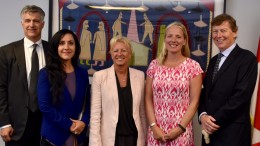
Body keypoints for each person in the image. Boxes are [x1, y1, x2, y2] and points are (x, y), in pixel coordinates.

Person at [198, 14, 258, 146]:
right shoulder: (213, 61)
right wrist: (202, 115)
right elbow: (205, 92)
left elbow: (241, 96)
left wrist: (212, 121)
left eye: (223, 30)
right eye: (215, 31)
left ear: (235, 33)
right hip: (210, 134)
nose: (218, 35)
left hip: (233, 134)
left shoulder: (247, 59)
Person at [145, 22, 203, 145]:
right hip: (156, 132)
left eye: (178, 37)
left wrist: (179, 128)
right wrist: (154, 127)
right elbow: (148, 99)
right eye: (170, 36)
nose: (173, 40)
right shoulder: (154, 65)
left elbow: (195, 102)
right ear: (165, 39)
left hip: (181, 132)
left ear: (184, 41)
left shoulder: (193, 67)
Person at [0, 5, 48, 146]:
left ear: (43, 24)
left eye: (36, 21)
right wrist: (4, 123)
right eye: (27, 21)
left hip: (46, 124)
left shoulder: (52, 51)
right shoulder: (6, 52)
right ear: (22, 23)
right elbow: (1, 88)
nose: (31, 24)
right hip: (16, 126)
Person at [89, 36, 147, 146]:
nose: (119, 54)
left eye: (124, 50)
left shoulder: (139, 76)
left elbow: (142, 112)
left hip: (134, 139)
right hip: (110, 139)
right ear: (111, 54)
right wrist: (95, 143)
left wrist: (145, 138)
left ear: (130, 54)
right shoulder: (100, 77)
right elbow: (95, 115)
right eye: (116, 51)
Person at [37, 29, 90, 146]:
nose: (67, 47)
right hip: (53, 137)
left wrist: (84, 122)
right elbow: (45, 106)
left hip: (78, 136)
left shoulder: (83, 74)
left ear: (76, 47)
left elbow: (87, 104)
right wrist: (69, 124)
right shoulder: (45, 73)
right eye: (62, 43)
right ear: (56, 47)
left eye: (71, 43)